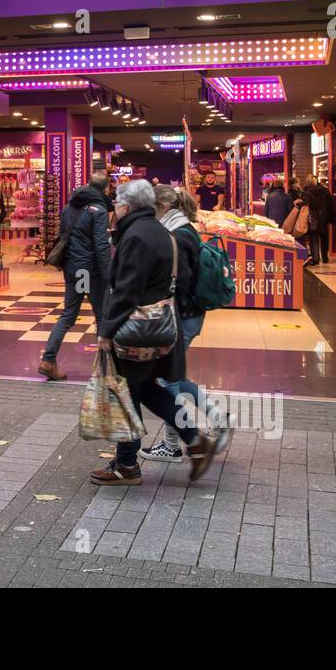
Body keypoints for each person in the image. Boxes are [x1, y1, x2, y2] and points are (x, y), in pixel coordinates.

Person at [90, 179, 218, 486]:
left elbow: (126, 291)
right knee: (146, 388)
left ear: (126, 206)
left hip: (137, 330)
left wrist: (106, 330)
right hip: (161, 326)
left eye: (117, 204)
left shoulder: (135, 236)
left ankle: (126, 464)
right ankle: (195, 439)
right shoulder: (162, 232)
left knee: (129, 392)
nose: (115, 209)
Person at [140, 185, 233, 463]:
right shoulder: (184, 229)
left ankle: (173, 445)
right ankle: (216, 419)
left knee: (166, 380)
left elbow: (180, 281)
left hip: (183, 315)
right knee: (173, 377)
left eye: (153, 209)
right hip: (189, 314)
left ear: (164, 208)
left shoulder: (177, 236)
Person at [38, 172, 112, 382]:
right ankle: (105, 368)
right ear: (105, 189)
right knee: (101, 316)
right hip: (89, 272)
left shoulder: (69, 207)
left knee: (68, 315)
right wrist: (108, 275)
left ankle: (48, 360)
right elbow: (101, 246)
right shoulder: (98, 211)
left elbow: (64, 237)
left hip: (73, 268)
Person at [301, 173, 335, 266]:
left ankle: (315, 259)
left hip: (312, 218)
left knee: (313, 238)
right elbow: (331, 206)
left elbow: (304, 206)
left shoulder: (305, 192)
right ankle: (325, 257)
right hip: (324, 218)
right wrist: (332, 219)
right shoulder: (325, 191)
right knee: (324, 237)